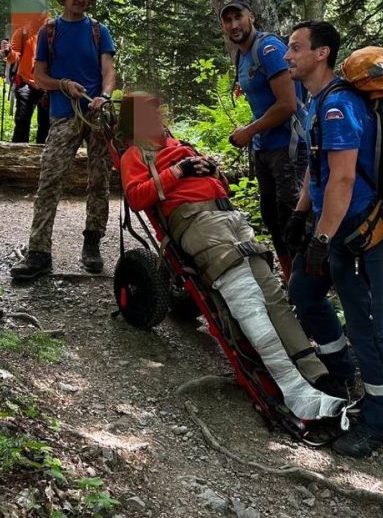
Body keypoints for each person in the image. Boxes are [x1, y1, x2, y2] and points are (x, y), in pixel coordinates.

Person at [117, 92, 346, 424]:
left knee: (273, 296)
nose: (156, 116)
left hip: (230, 217)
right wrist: (178, 171)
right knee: (246, 299)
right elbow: (137, 197)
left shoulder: (182, 145)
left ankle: (317, 375)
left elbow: (220, 183)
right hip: (197, 223)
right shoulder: (135, 154)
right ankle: (292, 387)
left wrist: (211, 170)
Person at [284, 21, 383, 457]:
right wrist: (300, 215)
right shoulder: (317, 101)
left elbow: (344, 178)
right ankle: (340, 372)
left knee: (367, 323)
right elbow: (319, 167)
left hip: (357, 234)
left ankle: (379, 420)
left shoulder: (338, 106)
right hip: (330, 226)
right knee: (304, 292)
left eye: (296, 47)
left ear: (322, 53)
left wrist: (322, 239)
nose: (287, 55)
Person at [10, 0, 117, 281]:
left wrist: (104, 96)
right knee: (50, 180)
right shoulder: (50, 31)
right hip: (63, 114)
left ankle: (92, 245)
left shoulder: (99, 31)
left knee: (100, 181)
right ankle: (39, 252)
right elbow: (40, 77)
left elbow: (109, 71)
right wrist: (63, 84)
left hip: (96, 114)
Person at [219, 0, 306, 280]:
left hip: (288, 147)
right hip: (265, 148)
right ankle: (291, 279)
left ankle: (307, 283)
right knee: (271, 217)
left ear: (251, 17)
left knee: (292, 217)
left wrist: (249, 131)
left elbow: (288, 104)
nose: (233, 25)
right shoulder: (242, 55)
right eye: (227, 20)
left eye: (238, 17)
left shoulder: (268, 49)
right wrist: (252, 132)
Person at [0, 14, 51, 144]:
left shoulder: (55, 31)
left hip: (48, 85)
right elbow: (14, 57)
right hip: (26, 83)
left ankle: (43, 155)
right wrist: (8, 52)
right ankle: (18, 153)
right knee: (22, 123)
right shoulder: (22, 32)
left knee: (46, 126)